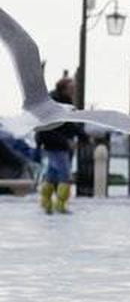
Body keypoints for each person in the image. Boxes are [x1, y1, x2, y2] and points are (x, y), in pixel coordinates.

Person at [34, 77, 81, 214]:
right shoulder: (56, 103)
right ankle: (60, 204)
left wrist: (82, 135)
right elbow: (51, 129)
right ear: (63, 89)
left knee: (51, 175)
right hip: (56, 145)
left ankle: (46, 202)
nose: (73, 91)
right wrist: (67, 142)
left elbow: (68, 124)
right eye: (71, 89)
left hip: (51, 144)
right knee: (65, 176)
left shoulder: (60, 101)